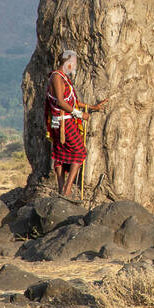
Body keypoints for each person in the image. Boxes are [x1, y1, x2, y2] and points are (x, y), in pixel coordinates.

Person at [45, 49, 108, 199]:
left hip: (61, 121)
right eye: (74, 63)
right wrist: (79, 114)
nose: (75, 66)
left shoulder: (63, 78)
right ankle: (66, 191)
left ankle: (62, 190)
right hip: (62, 122)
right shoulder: (57, 77)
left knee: (60, 154)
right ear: (69, 62)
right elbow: (60, 101)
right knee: (80, 152)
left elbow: (72, 101)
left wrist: (93, 107)